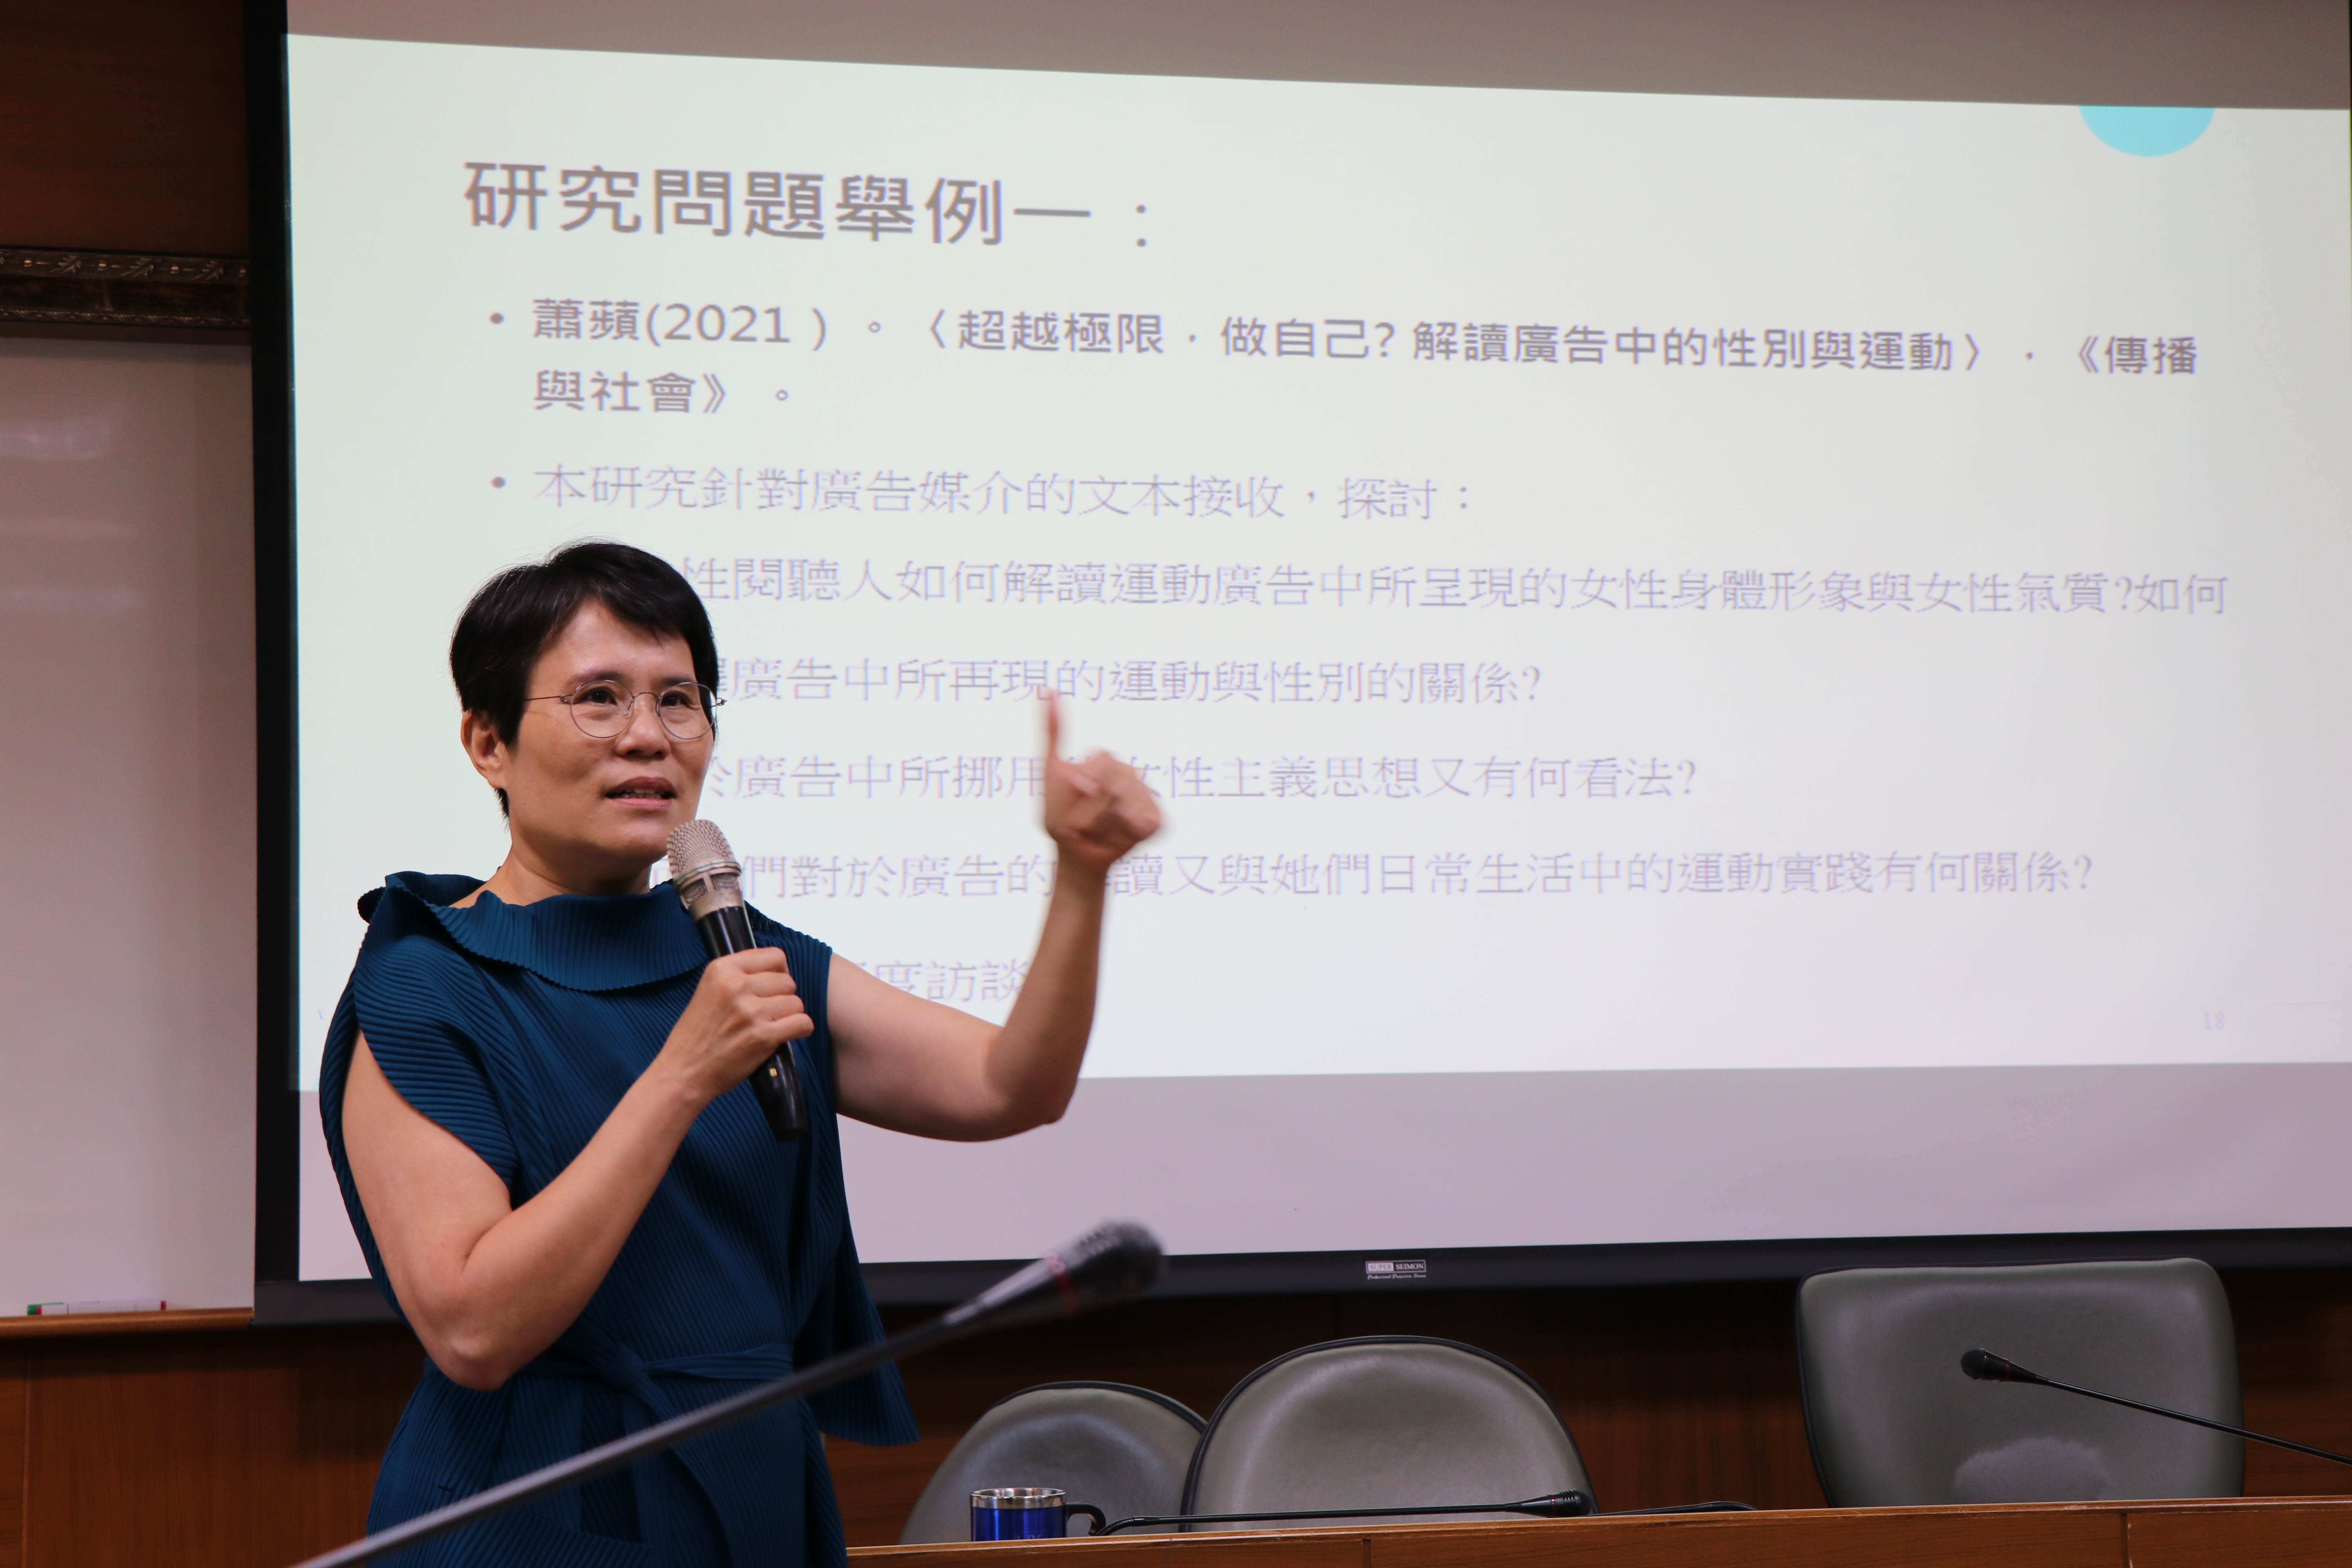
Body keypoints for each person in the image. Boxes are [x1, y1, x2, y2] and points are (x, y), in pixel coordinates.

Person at [318, 541, 1161, 1568]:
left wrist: (1081, 877)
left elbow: (1007, 1086)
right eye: (598, 699)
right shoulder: (428, 979)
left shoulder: (736, 949)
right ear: (488, 743)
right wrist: (681, 1077)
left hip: (754, 1484)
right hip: (536, 1503)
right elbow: (473, 1332)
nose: (648, 736)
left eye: (679, 700)